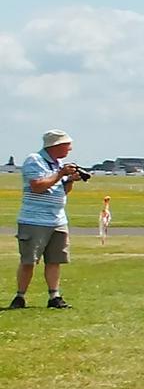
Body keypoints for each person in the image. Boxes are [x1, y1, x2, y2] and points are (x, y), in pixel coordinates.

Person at [13, 129, 82, 310]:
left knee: (55, 260)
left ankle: (54, 296)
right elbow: (37, 186)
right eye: (67, 145)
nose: (70, 148)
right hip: (34, 220)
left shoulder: (57, 164)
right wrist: (60, 175)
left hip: (57, 220)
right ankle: (20, 296)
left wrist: (70, 180)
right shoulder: (34, 160)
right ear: (56, 146)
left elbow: (61, 191)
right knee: (29, 260)